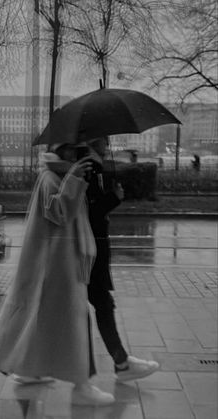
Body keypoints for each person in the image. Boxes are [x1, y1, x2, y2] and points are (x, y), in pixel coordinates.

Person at [0, 143, 115, 407]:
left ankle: (28, 370)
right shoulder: (51, 177)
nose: (81, 155)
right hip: (52, 266)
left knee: (31, 318)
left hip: (60, 264)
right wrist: (75, 180)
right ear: (64, 151)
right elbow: (57, 213)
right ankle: (81, 386)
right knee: (58, 318)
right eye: (77, 150)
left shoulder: (62, 176)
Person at [86, 137, 160, 382]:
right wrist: (114, 197)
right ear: (91, 141)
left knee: (100, 304)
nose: (106, 144)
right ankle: (120, 363)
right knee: (101, 305)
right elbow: (89, 211)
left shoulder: (91, 167)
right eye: (102, 140)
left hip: (90, 249)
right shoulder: (88, 167)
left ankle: (121, 362)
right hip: (89, 250)